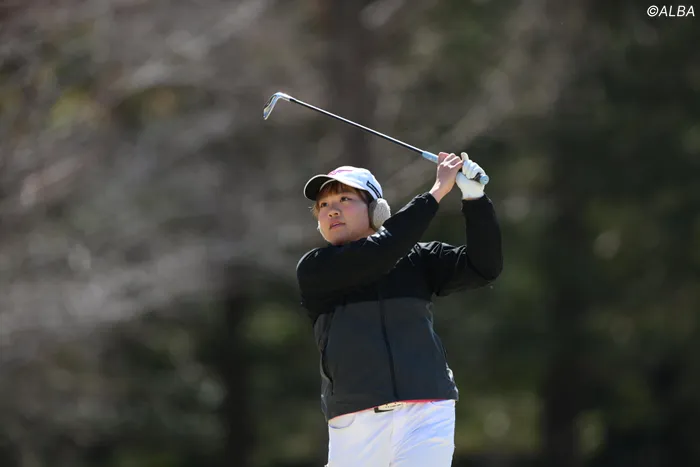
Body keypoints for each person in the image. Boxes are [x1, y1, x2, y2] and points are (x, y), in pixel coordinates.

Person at [296, 152, 503, 467]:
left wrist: (475, 200)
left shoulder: (417, 259)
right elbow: (379, 253)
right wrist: (436, 192)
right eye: (323, 205)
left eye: (344, 199)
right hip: (356, 420)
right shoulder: (315, 268)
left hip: (427, 411)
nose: (332, 210)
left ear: (377, 210)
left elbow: (484, 267)